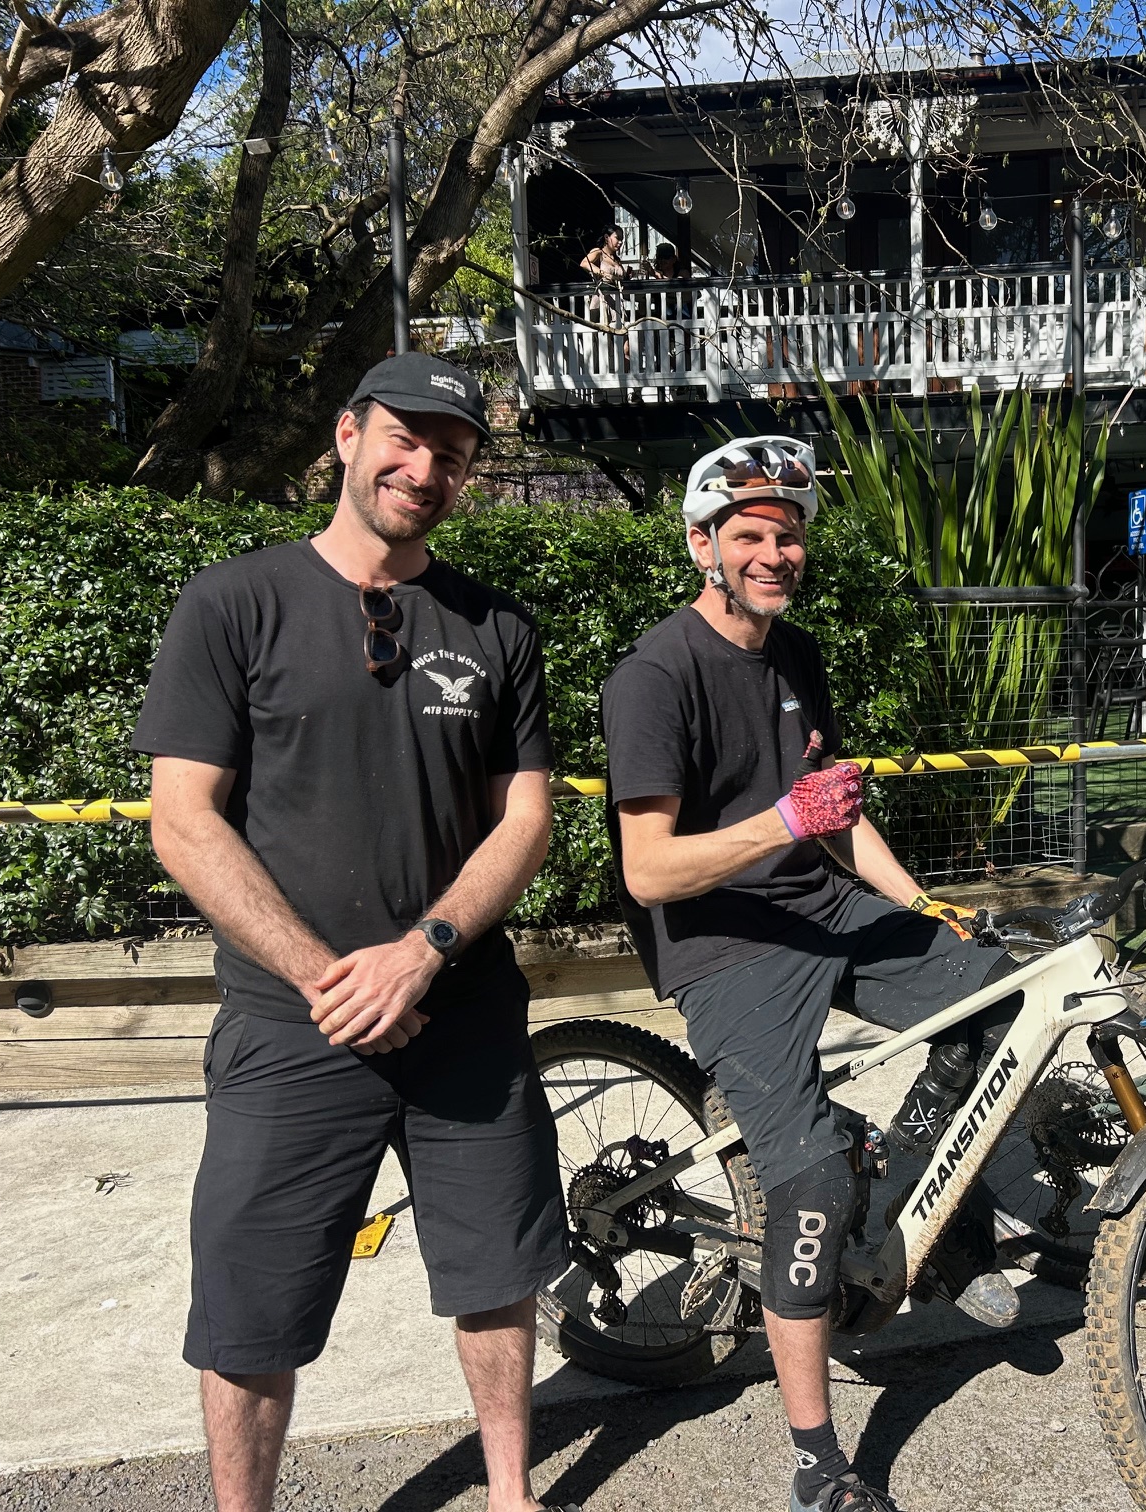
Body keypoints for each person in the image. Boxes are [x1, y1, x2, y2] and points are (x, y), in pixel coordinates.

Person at [134, 353, 575, 1512]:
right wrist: (330, 977)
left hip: (464, 1016)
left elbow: (523, 819)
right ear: (346, 435)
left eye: (453, 454)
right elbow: (183, 822)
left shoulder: (496, 627)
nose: (424, 469)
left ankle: (511, 1496)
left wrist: (424, 949)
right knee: (251, 1301)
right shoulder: (236, 603)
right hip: (294, 1030)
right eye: (405, 439)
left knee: (496, 1275)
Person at [600, 435, 1026, 1512]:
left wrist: (923, 908)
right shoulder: (655, 676)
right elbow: (648, 869)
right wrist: (779, 822)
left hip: (824, 907)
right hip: (722, 943)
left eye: (788, 535)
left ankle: (943, 1235)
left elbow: (838, 816)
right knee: (809, 1189)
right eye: (749, 534)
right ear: (703, 544)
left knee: (1001, 994)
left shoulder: (797, 656)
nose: (774, 552)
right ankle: (814, 1461)